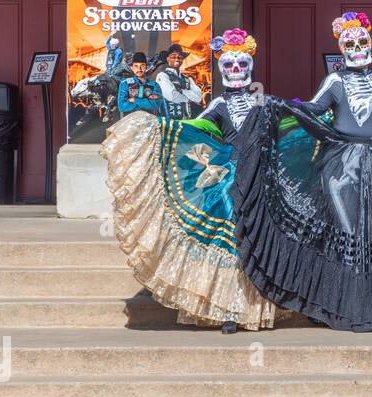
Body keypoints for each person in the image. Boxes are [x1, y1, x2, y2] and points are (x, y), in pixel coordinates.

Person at [233, 12, 372, 332]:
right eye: (350, 43)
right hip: (346, 167)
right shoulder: (336, 81)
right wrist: (279, 105)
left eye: (362, 41)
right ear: (342, 49)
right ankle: (352, 312)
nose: (357, 47)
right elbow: (314, 109)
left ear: (370, 42)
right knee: (352, 238)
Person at [101, 29, 277, 334]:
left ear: (251, 66)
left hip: (260, 177)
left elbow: (283, 123)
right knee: (230, 241)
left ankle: (258, 304)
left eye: (242, 65)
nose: (236, 71)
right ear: (222, 69)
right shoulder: (219, 105)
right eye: (230, 65)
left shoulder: (263, 100)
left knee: (256, 237)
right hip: (229, 179)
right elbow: (190, 127)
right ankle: (230, 309)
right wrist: (153, 127)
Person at [155, 43, 204, 119]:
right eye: (173, 57)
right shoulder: (162, 76)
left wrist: (181, 91)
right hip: (169, 122)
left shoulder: (188, 79)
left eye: (179, 57)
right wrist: (189, 98)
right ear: (167, 59)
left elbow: (198, 98)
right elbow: (171, 96)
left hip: (187, 121)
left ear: (182, 60)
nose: (177, 59)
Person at [117, 52, 164, 116]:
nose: (139, 69)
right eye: (136, 66)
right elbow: (122, 107)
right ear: (132, 67)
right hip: (129, 123)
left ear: (146, 67)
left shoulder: (154, 85)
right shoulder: (125, 84)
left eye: (142, 65)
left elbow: (157, 105)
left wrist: (135, 100)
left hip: (149, 123)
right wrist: (148, 103)